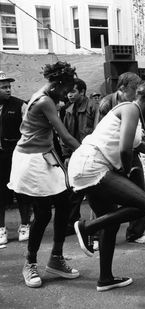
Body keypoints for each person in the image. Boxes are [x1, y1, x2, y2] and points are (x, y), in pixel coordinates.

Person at [68, 79, 145, 292]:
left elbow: (136, 144)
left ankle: (105, 279)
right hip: (92, 165)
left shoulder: (130, 113)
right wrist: (126, 173)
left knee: (110, 222)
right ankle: (87, 228)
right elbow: (126, 150)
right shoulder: (130, 108)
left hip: (88, 165)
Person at [8, 61, 81, 288]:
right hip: (31, 160)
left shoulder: (47, 95)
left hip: (45, 156)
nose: (67, 93)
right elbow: (65, 136)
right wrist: (89, 154)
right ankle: (29, 263)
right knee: (42, 214)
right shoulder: (44, 101)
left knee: (64, 204)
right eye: (66, 88)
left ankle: (56, 259)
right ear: (58, 83)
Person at [96, 72, 145, 244]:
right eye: (134, 89)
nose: (137, 93)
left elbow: (135, 140)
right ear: (122, 88)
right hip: (108, 154)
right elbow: (99, 131)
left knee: (141, 192)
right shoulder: (106, 103)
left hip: (130, 152)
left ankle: (135, 232)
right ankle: (96, 234)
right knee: (102, 197)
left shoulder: (134, 105)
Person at [62, 78, 97, 234]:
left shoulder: (93, 108)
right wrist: (66, 155)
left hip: (91, 155)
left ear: (82, 92)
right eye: (68, 91)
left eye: (73, 91)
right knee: (74, 191)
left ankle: (99, 223)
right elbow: (64, 135)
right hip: (75, 155)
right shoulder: (68, 111)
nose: (69, 94)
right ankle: (72, 223)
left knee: (95, 191)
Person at [0, 71, 31, 245]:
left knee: (21, 191)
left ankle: (25, 224)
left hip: (16, 155)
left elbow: (30, 129)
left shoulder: (20, 105)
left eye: (9, 86)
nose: (8, 90)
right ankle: (1, 229)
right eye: (4, 87)